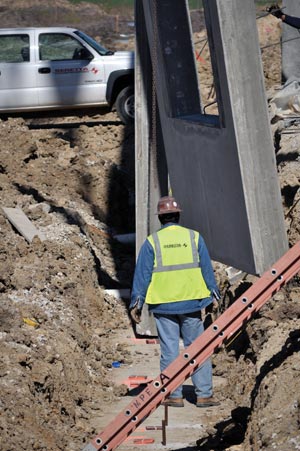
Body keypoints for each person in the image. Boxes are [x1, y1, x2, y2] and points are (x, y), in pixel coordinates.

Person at [129, 195, 221, 408]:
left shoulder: (152, 242)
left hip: (164, 304)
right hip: (192, 302)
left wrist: (137, 303)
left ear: (160, 218)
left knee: (169, 349)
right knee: (197, 347)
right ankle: (204, 395)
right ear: (178, 215)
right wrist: (213, 295)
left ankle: (174, 394)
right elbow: (207, 269)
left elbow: (142, 275)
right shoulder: (194, 238)